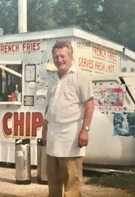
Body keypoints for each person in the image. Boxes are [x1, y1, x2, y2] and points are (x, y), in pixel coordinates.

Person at [42, 41, 95, 197]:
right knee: (53, 181)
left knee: (72, 181)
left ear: (71, 57)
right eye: (56, 56)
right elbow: (48, 107)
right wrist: (44, 130)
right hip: (53, 135)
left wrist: (84, 131)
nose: (59, 60)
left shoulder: (81, 76)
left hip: (71, 134)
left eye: (62, 56)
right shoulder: (52, 79)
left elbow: (90, 105)